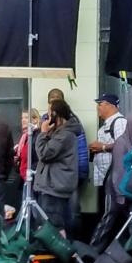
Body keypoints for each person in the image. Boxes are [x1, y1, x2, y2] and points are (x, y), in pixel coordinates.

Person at [89, 115, 132, 251]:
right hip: (117, 188)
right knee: (109, 218)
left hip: (130, 188)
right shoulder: (122, 142)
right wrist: (118, 193)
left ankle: (128, 252)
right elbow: (118, 168)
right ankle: (93, 250)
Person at [33, 98, 79, 234]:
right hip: (52, 183)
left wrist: (42, 133)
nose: (46, 117)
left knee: (53, 225)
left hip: (54, 186)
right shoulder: (60, 132)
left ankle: (58, 252)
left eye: (48, 113)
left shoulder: (64, 135)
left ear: (55, 114)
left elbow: (44, 153)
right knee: (50, 222)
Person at [90, 93, 127, 202]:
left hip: (114, 178)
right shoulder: (105, 125)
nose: (97, 107)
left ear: (110, 105)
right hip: (106, 178)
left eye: (100, 104)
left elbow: (124, 145)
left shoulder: (119, 122)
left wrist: (102, 147)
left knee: (113, 211)